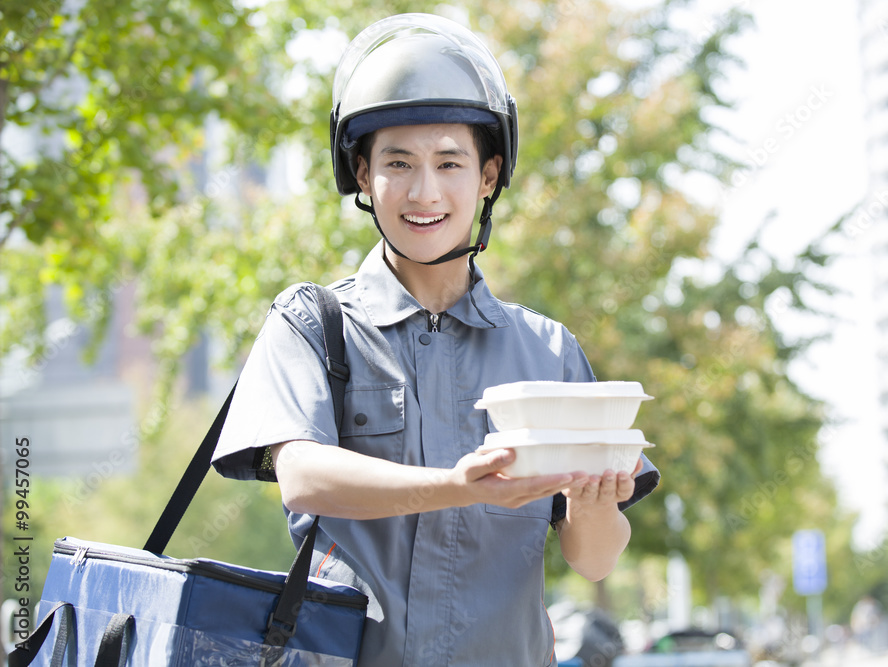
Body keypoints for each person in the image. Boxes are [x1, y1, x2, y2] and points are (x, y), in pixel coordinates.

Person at [212, 13, 659, 666]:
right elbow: (303, 477)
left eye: (450, 162)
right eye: (399, 163)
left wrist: (594, 503)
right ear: (363, 175)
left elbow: (592, 557)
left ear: (487, 176)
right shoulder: (310, 324)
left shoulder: (550, 351)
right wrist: (464, 484)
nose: (425, 191)